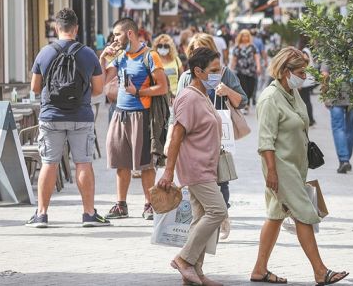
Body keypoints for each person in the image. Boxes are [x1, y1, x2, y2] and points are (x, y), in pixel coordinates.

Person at [251, 47, 349, 285]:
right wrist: (272, 172)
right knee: (305, 214)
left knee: (275, 215)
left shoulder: (291, 93)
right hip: (280, 168)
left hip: (295, 165)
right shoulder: (270, 98)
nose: (304, 76)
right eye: (301, 72)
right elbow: (265, 141)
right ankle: (320, 271)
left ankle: (259, 269)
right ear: (286, 71)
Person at [26, 8, 110, 228]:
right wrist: (80, 97)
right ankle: (89, 214)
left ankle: (41, 215)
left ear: (56, 28)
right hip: (81, 116)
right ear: (77, 29)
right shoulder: (88, 53)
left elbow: (35, 87)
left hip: (50, 116)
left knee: (49, 163)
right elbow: (99, 89)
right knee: (83, 163)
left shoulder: (44, 53)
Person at [158, 47, 227, 286]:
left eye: (220, 69)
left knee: (200, 218)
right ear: (198, 71)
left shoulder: (203, 94)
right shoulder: (188, 97)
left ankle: (195, 274)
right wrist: (168, 171)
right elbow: (176, 135)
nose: (219, 74)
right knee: (218, 211)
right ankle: (184, 259)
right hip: (196, 168)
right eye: (214, 70)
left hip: (207, 166)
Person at [172, 33, 248, 240]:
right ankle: (204, 224)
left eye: (202, 48)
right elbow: (177, 111)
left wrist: (227, 92)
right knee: (197, 181)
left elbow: (242, 101)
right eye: (195, 50)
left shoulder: (225, 74)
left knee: (221, 176)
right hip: (194, 136)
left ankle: (219, 217)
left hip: (220, 132)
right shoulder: (187, 78)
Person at [99, 17, 168, 220]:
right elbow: (102, 80)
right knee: (121, 162)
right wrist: (103, 57)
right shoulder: (120, 57)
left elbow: (163, 87)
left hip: (142, 115)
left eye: (118, 34)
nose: (115, 39)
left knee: (146, 164)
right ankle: (121, 205)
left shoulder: (150, 56)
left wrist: (138, 91)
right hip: (120, 114)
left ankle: (149, 205)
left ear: (129, 33)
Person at [321, 64, 353, 174]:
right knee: (350, 129)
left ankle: (344, 159)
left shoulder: (330, 48)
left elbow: (325, 74)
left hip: (335, 95)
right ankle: (347, 159)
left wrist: (324, 94)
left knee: (338, 128)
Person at [231, 29, 261, 114]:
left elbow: (257, 58)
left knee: (251, 88)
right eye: (243, 36)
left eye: (247, 36)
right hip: (240, 71)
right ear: (240, 37)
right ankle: (246, 105)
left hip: (251, 70)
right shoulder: (237, 47)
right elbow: (234, 60)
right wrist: (231, 69)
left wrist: (258, 67)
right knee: (244, 88)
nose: (245, 37)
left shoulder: (253, 47)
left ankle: (248, 101)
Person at [153, 34, 183, 101]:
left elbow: (182, 79)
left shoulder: (176, 60)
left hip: (176, 97)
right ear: (156, 46)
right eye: (160, 46)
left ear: (170, 47)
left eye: (166, 46)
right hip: (159, 99)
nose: (163, 48)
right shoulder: (153, 60)